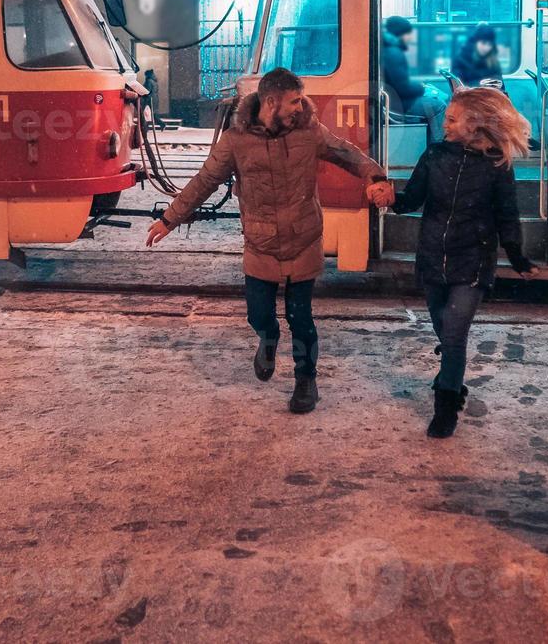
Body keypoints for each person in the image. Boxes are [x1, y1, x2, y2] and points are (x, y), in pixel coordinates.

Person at [146, 68, 396, 414]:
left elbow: (348, 153)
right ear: (271, 102)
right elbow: (204, 181)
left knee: (302, 319)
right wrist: (169, 218)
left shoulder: (309, 131)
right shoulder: (235, 140)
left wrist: (376, 177)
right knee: (258, 314)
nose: (300, 106)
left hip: (303, 238)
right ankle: (268, 337)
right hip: (261, 242)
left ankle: (306, 381)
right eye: (294, 101)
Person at [393, 88, 538, 439]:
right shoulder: (434, 156)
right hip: (432, 258)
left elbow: (507, 215)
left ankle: (445, 407)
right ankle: (453, 379)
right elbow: (412, 199)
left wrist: (516, 254)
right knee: (444, 327)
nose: (444, 123)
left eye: (452, 119)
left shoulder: (495, 167)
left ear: (475, 125)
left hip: (473, 259)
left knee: (455, 335)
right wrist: (388, 198)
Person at [381, 16, 447, 141]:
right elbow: (403, 88)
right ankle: (439, 150)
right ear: (400, 34)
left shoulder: (387, 50)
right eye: (408, 34)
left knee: (432, 97)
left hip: (393, 100)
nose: (410, 38)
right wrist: (420, 88)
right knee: (439, 105)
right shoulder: (393, 53)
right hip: (399, 105)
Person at [451, 23, 502, 88]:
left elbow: (500, 83)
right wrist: (478, 85)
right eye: (483, 43)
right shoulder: (461, 60)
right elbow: (458, 87)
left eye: (490, 44)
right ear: (475, 42)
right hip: (469, 97)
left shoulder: (492, 60)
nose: (486, 48)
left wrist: (499, 85)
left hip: (491, 96)